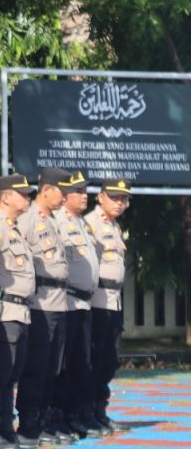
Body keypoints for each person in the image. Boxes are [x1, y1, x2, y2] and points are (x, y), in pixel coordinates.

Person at [0, 173, 35, 449]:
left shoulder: (13, 228)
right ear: (6, 196)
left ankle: (5, 427)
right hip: (3, 312)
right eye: (22, 193)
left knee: (11, 374)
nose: (27, 198)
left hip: (20, 312)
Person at [17, 167, 72, 446]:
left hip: (58, 303)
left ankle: (44, 419)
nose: (66, 197)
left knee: (54, 366)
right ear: (47, 190)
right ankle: (28, 423)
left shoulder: (52, 221)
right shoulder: (28, 220)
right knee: (37, 367)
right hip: (40, 304)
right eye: (62, 191)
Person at [54, 171, 100, 438]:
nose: (84, 196)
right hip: (67, 302)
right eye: (78, 192)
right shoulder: (58, 221)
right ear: (65, 195)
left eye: (85, 192)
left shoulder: (81, 223)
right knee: (66, 364)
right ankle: (61, 415)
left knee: (83, 362)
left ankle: (78, 413)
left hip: (84, 304)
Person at [85, 178, 131, 434]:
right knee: (94, 358)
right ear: (100, 197)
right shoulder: (91, 224)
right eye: (114, 197)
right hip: (98, 300)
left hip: (113, 300)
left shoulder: (114, 227)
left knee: (109, 359)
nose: (120, 203)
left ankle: (100, 411)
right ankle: (88, 411)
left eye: (124, 199)